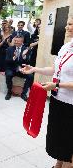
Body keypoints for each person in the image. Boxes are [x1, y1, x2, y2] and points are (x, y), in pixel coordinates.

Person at [21, 16, 73, 168]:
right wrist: (34, 69)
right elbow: (55, 69)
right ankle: (58, 164)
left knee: (68, 141)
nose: (66, 27)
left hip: (71, 105)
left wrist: (57, 85)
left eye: (70, 24)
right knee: (58, 138)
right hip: (58, 100)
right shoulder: (66, 47)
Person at [4, 35, 33, 101]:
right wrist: (13, 58)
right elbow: (6, 61)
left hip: (22, 69)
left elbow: (28, 62)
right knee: (8, 74)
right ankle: (9, 92)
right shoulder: (10, 49)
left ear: (22, 41)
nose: (16, 42)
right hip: (12, 68)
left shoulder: (26, 49)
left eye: (18, 41)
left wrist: (23, 56)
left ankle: (23, 94)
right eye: (15, 41)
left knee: (30, 76)